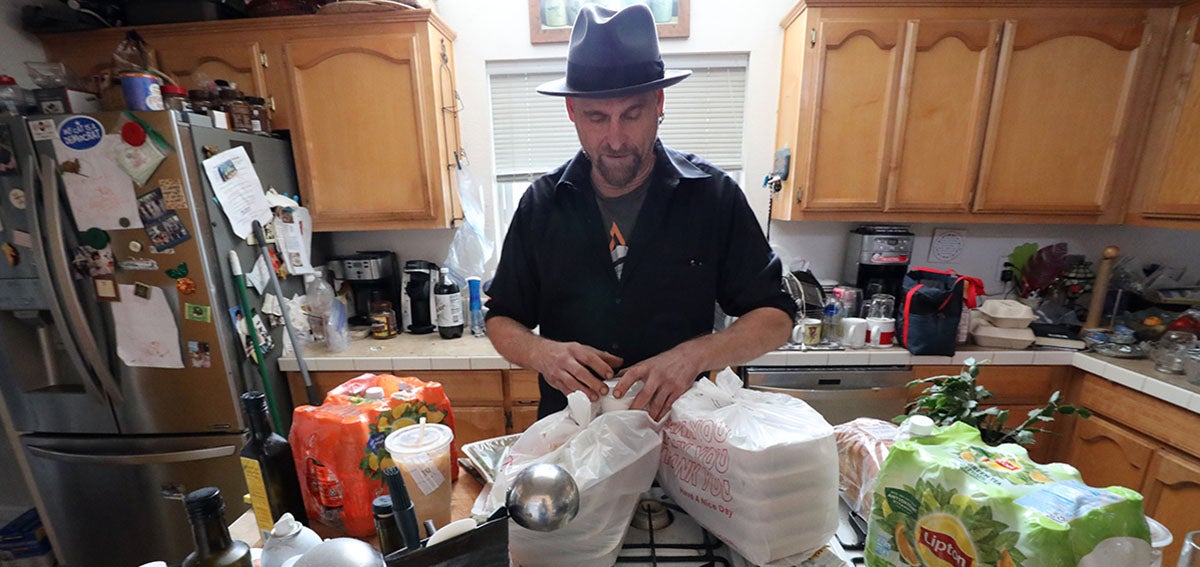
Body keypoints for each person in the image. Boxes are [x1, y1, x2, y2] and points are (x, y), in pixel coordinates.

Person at [485, 4, 795, 421]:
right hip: (575, 435)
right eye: (597, 117)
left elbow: (775, 317)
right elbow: (502, 319)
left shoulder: (713, 197)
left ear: (658, 103)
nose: (615, 138)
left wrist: (693, 356)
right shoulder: (541, 204)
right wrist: (543, 353)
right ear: (572, 112)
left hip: (685, 434)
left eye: (632, 114)